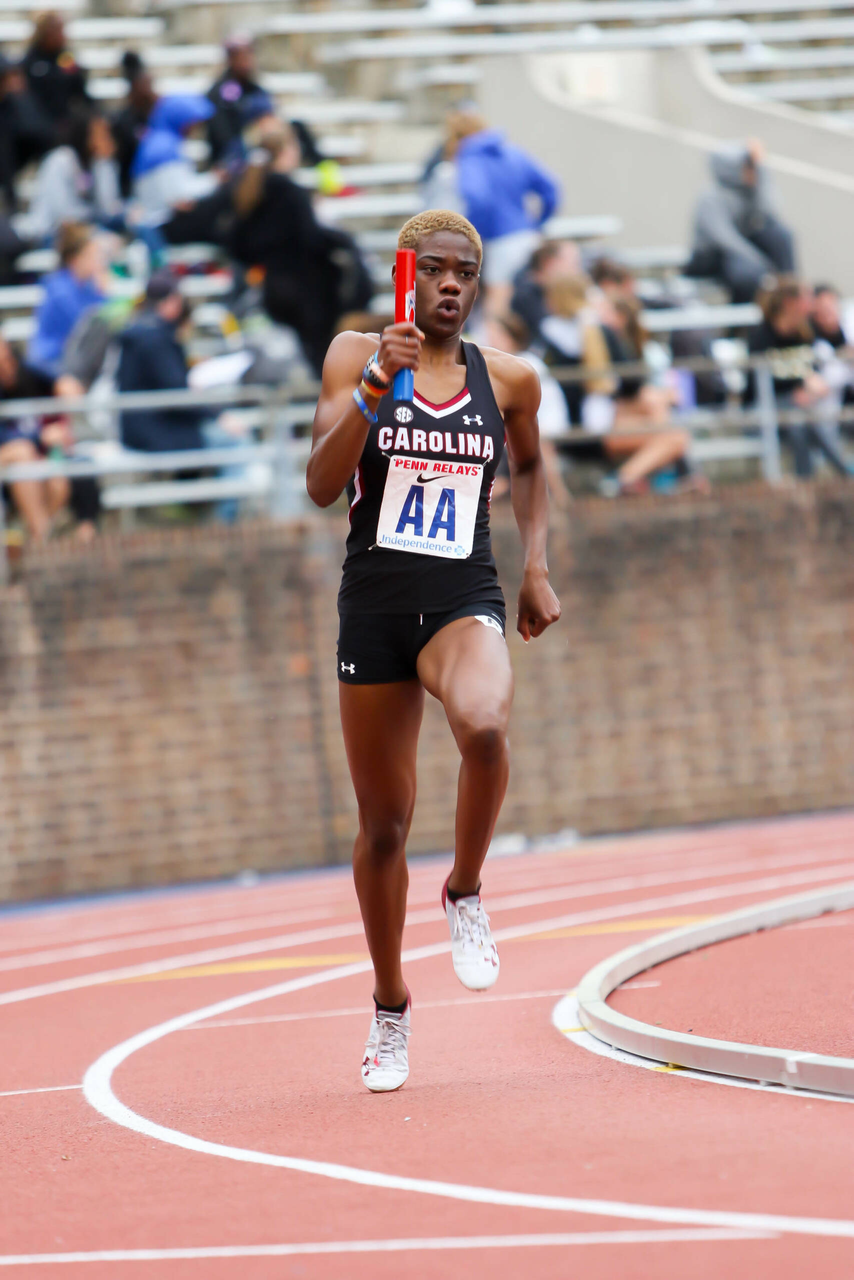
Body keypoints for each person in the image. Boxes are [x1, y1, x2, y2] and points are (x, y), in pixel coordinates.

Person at [306, 209, 561, 1092]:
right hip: (375, 602)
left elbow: (530, 467)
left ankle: (465, 889)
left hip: (461, 596)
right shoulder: (354, 354)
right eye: (439, 269)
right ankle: (389, 1008)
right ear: (407, 274)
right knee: (382, 826)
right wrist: (378, 380)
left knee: (486, 725)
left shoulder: (511, 380)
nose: (453, 284)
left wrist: (534, 565)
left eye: (468, 272)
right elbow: (319, 483)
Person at [228, 121, 373, 374]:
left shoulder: (250, 188)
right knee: (320, 357)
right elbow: (311, 237)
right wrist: (343, 241)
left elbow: (238, 242)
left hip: (272, 289)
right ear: (286, 150)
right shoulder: (290, 192)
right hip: (303, 291)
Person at [422, 107, 560, 315]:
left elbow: (478, 200)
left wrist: (475, 237)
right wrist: (536, 224)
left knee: (498, 310)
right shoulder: (513, 152)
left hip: (499, 244)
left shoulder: (468, 157)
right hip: (528, 237)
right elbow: (551, 189)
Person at [748, 276, 852, 479]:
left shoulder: (805, 331)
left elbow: (835, 342)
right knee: (799, 419)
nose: (812, 305)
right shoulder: (761, 336)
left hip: (800, 407)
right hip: (766, 406)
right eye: (807, 298)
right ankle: (842, 474)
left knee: (801, 421)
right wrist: (798, 386)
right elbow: (758, 382)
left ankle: (811, 481)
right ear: (790, 302)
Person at [0, 336, 99, 541]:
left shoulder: (28, 371)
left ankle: (41, 539)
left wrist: (66, 389)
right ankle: (42, 538)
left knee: (59, 479)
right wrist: (40, 436)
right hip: (12, 459)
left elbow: (68, 387)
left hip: (38, 461)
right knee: (22, 454)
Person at [686, 140, 796, 304]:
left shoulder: (749, 192)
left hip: (741, 255)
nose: (751, 171)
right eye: (748, 166)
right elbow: (725, 240)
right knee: (746, 272)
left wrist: (762, 170)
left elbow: (770, 212)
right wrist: (761, 263)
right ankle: (744, 326)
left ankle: (790, 293)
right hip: (711, 258)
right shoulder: (710, 197)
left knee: (780, 236)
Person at [483, 312, 572, 509]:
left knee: (538, 442)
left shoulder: (526, 363)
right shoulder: (494, 364)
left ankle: (558, 498)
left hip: (543, 424)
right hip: (511, 428)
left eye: (496, 334)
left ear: (510, 337)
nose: (491, 340)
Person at [25, 106, 121, 240]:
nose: (106, 138)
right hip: (53, 232)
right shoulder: (60, 160)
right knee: (103, 239)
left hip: (86, 227)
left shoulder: (97, 163)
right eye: (100, 133)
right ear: (85, 134)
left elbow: (108, 208)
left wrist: (107, 162)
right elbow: (63, 215)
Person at [27, 222, 107, 380]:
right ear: (76, 259)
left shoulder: (86, 287)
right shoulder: (59, 288)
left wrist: (102, 291)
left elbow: (109, 317)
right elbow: (85, 325)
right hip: (49, 366)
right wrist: (103, 289)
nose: (99, 262)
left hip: (73, 362)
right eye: (93, 256)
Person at [130, 95, 217, 229]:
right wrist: (215, 179)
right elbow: (179, 196)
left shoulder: (160, 140)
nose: (195, 128)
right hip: (160, 223)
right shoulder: (164, 147)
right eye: (194, 123)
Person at [206, 31, 273, 167]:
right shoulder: (218, 93)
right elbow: (222, 137)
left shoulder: (256, 89)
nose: (247, 62)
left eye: (249, 55)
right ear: (230, 59)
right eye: (241, 57)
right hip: (231, 159)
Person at [22, 12, 89, 138]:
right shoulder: (31, 61)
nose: (62, 36)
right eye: (57, 30)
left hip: (66, 124)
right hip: (38, 127)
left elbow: (79, 89)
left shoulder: (66, 58)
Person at [510, 238, 582, 335]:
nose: (576, 271)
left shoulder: (555, 291)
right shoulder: (526, 295)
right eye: (573, 264)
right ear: (549, 262)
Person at [111, 52, 158, 199]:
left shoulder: (156, 116)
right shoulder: (123, 121)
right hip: (130, 186)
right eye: (144, 86)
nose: (149, 91)